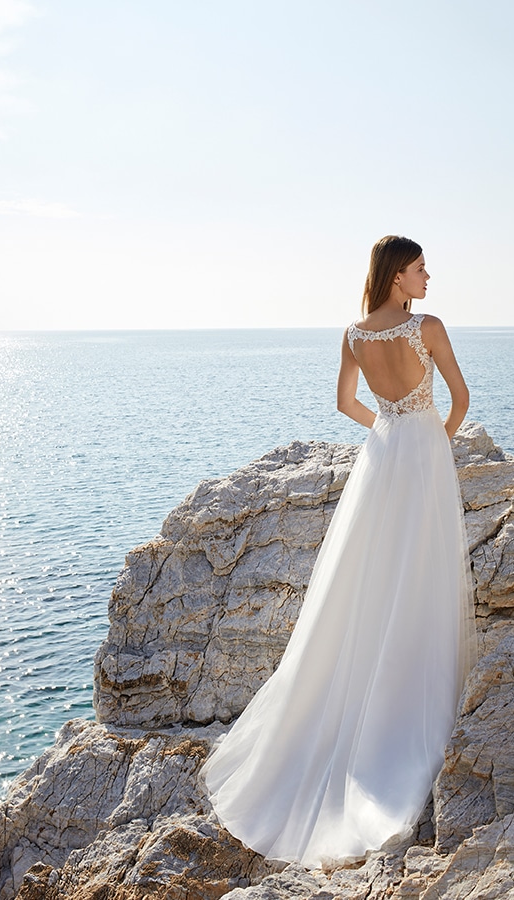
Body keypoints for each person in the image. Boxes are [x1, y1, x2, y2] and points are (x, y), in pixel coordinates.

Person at [202, 235, 477, 870]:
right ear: (396, 276)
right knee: (422, 573)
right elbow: (460, 401)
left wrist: (387, 430)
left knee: (369, 577)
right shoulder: (426, 328)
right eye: (419, 268)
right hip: (423, 456)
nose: (429, 276)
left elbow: (344, 403)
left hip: (380, 458)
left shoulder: (354, 334)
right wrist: (432, 441)